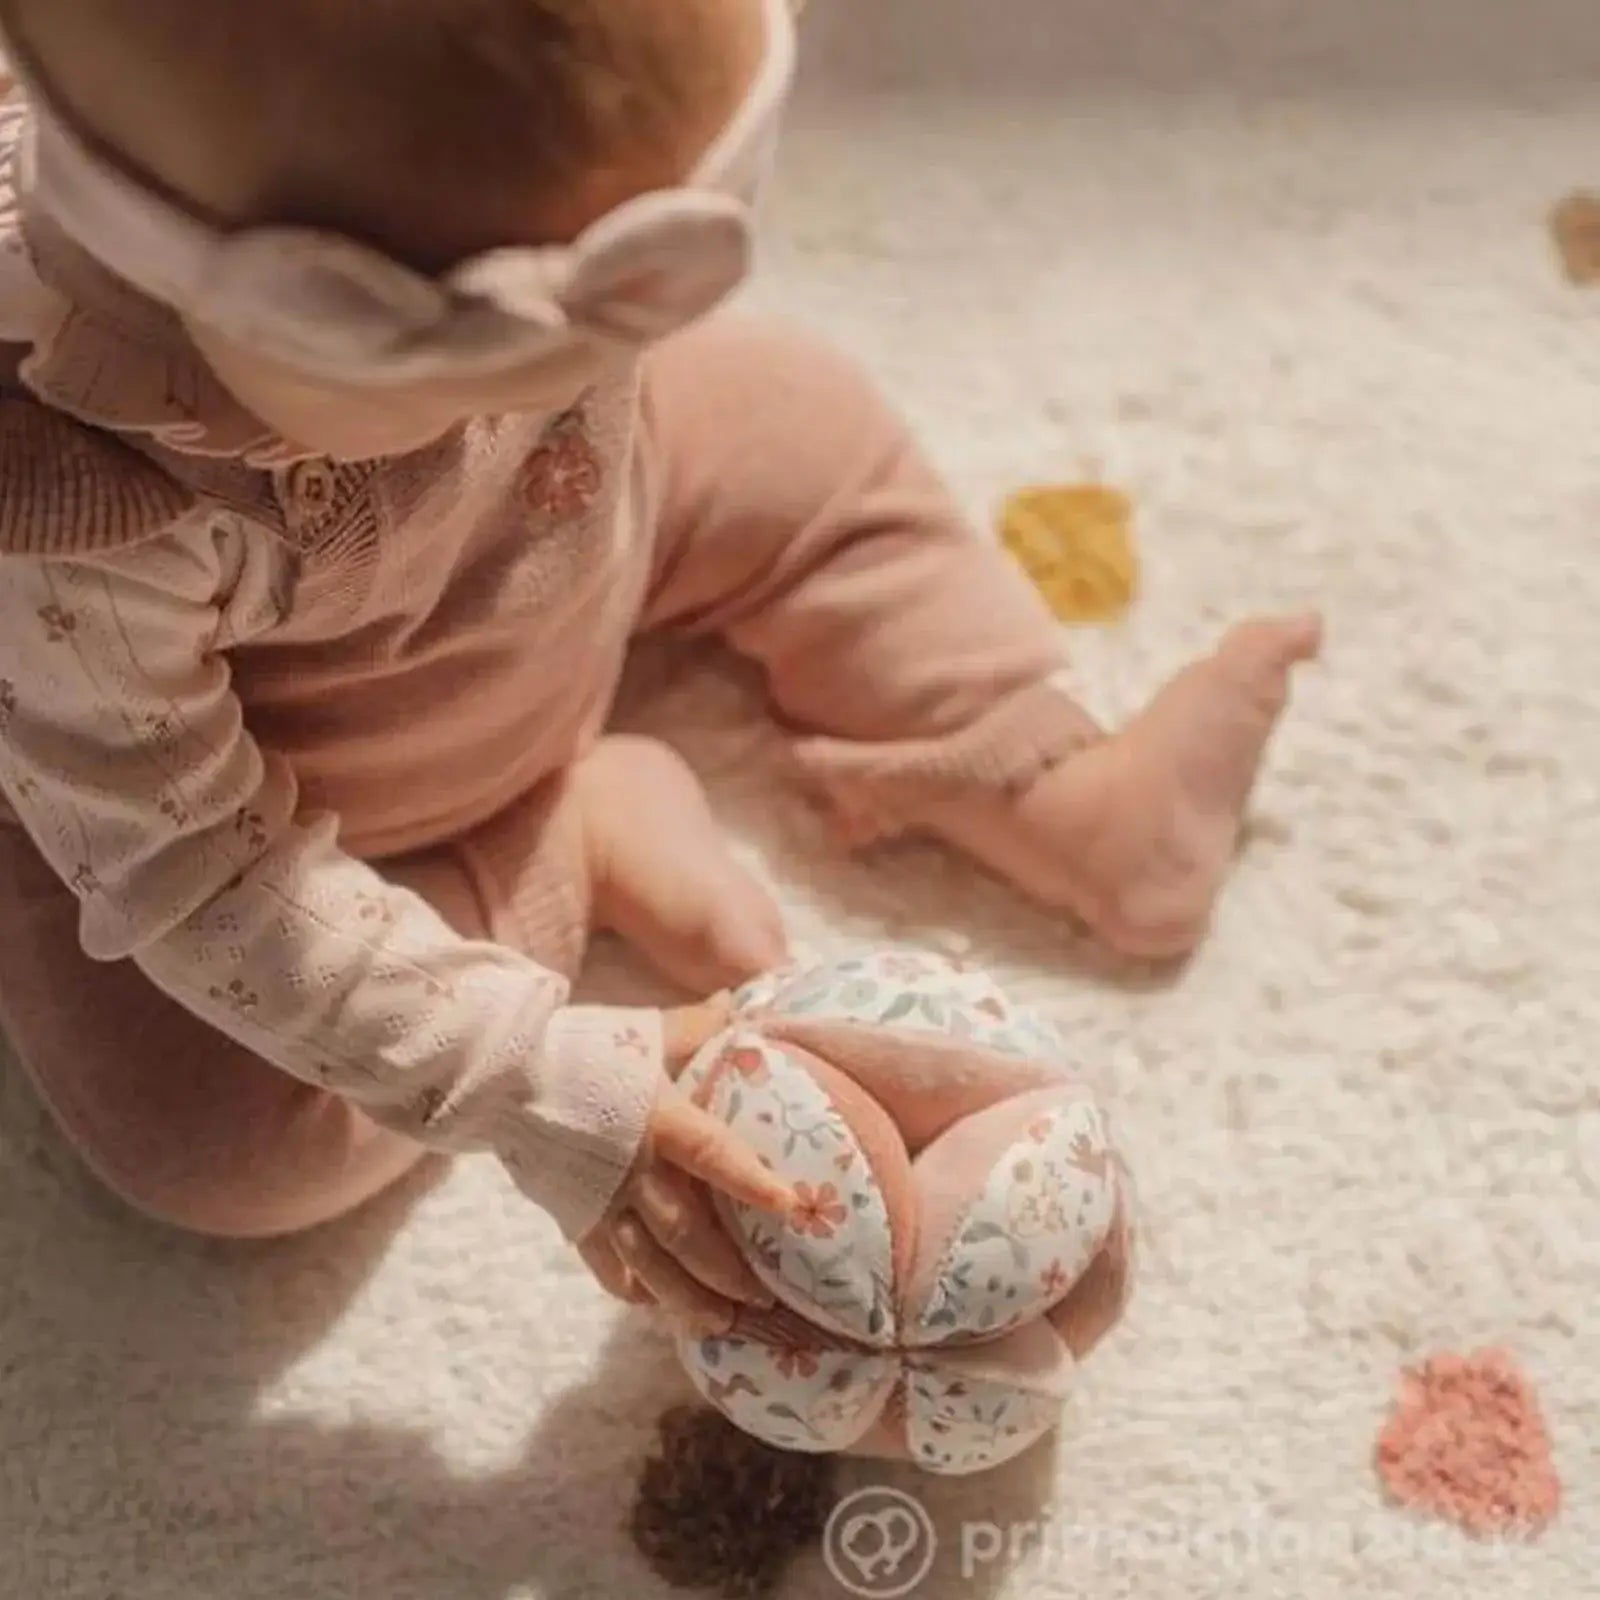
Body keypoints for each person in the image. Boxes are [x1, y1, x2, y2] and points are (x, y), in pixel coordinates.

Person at [0, 0, 1318, 1335]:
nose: (578, 368)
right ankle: (564, 848)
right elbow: (197, 875)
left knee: (793, 414)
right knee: (209, 1145)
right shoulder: (77, 520)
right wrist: (533, 1079)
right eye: (505, 370)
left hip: (573, 537)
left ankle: (1052, 780)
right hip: (228, 805)